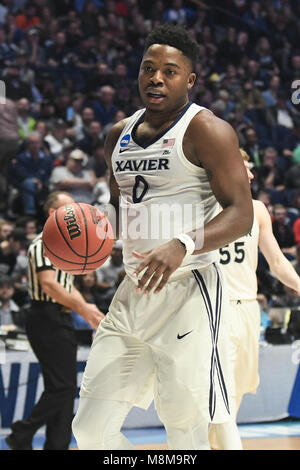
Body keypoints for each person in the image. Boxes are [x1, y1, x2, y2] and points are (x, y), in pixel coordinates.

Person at [72, 23, 253, 451]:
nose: (156, 78)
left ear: (189, 79)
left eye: (169, 71)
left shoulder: (207, 130)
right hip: (132, 294)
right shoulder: (117, 135)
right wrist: (86, 241)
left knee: (184, 432)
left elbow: (242, 214)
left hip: (188, 295)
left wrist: (182, 243)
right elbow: (120, 212)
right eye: (148, 68)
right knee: (90, 431)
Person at [209, 150, 300, 450]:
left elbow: (276, 261)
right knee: (219, 398)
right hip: (213, 309)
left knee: (233, 398)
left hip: (248, 308)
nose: (251, 174)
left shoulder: (258, 210)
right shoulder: (200, 205)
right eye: (245, 168)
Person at [5, 191, 104, 450]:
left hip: (59, 317)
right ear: (53, 213)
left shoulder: (63, 247)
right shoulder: (43, 243)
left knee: (63, 386)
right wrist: (84, 309)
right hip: (44, 315)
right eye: (69, 208)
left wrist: (88, 309)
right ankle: (21, 433)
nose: (76, 213)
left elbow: (67, 286)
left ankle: (57, 444)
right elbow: (50, 285)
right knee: (62, 386)